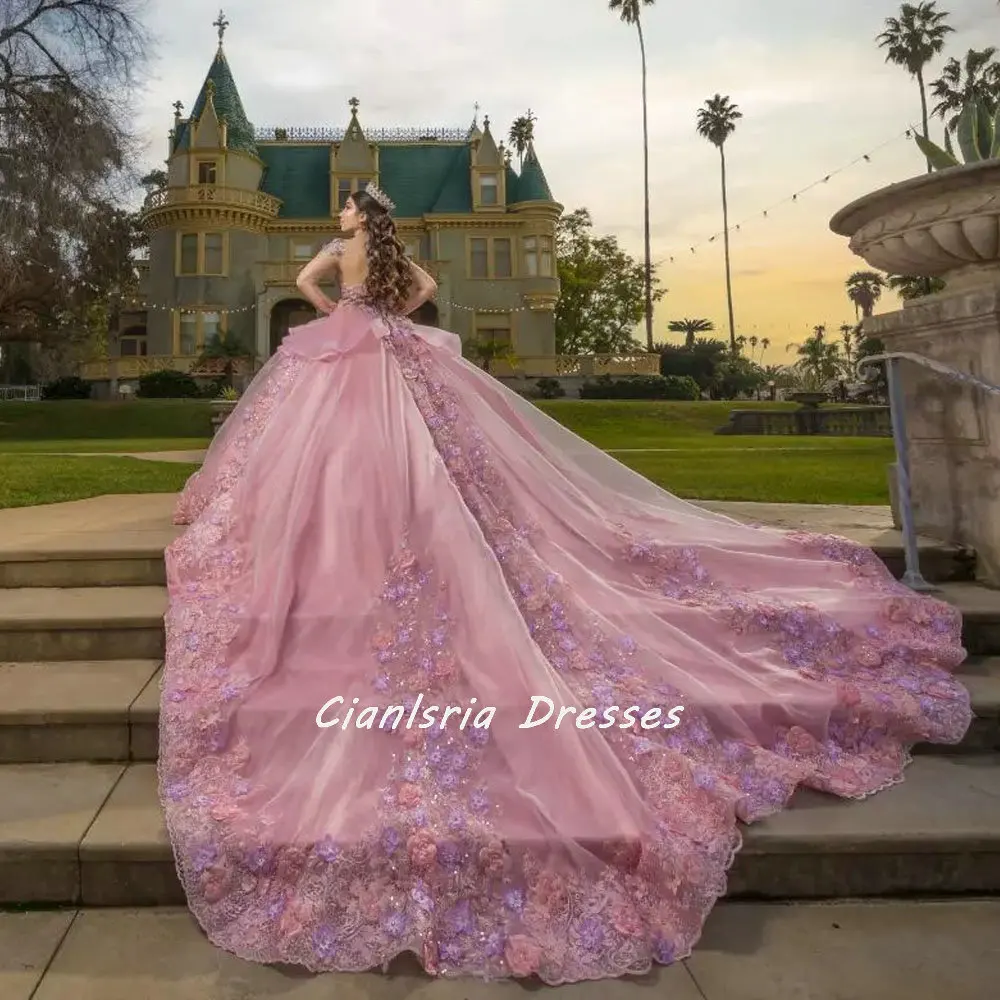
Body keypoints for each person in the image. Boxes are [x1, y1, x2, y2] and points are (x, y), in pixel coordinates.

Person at [161, 182, 971, 984]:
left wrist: (336, 305)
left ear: (354, 219)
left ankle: (353, 541)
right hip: (393, 355)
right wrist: (386, 317)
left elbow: (303, 288)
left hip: (347, 355)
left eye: (346, 206)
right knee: (430, 464)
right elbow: (431, 291)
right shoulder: (392, 256)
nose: (340, 213)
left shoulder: (339, 254)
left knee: (345, 465)